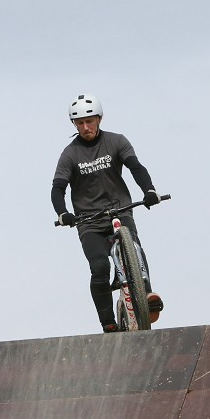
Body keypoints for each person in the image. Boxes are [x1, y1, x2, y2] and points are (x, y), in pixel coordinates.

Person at [51, 94, 164, 332]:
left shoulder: (116, 142)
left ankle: (146, 295)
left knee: (133, 246)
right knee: (100, 267)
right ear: (74, 125)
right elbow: (58, 188)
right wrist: (63, 213)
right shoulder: (70, 154)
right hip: (88, 220)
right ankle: (108, 322)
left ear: (100, 119)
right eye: (79, 123)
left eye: (89, 121)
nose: (85, 127)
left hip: (119, 210)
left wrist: (149, 190)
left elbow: (136, 167)